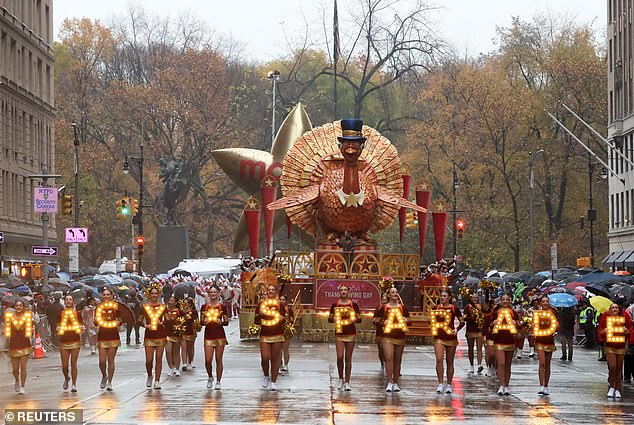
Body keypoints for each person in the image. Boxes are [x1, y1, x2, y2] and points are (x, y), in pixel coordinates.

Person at [328, 285, 362, 391]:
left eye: (345, 290)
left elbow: (359, 318)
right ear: (339, 292)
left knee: (348, 358)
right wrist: (333, 319)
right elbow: (329, 318)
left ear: (348, 292)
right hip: (339, 333)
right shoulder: (335, 305)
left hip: (350, 333)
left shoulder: (353, 305)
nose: (343, 292)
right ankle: (340, 378)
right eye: (341, 290)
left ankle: (347, 381)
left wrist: (354, 320)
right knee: (339, 357)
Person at [597, 302, 634, 399]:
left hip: (621, 346)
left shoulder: (624, 318)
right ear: (610, 309)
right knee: (612, 366)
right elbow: (600, 330)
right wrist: (603, 333)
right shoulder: (605, 318)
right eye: (613, 307)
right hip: (610, 346)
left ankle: (617, 388)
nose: (614, 309)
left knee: (619, 367)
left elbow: (630, 330)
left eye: (616, 307)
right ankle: (612, 386)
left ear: (619, 309)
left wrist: (627, 332)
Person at [254, 284, 287, 391]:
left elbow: (284, 320)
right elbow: (256, 321)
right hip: (265, 333)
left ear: (276, 292)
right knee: (265, 357)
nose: (271, 291)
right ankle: (266, 375)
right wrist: (260, 315)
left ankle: (273, 381)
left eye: (273, 290)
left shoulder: (280, 305)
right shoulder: (261, 304)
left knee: (275, 358)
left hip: (277, 333)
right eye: (269, 290)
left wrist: (278, 317)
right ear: (266, 292)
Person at [378, 286, 411, 392]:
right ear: (388, 295)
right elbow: (376, 321)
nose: (395, 294)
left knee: (398, 359)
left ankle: (396, 382)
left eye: (396, 292)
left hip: (400, 336)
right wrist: (383, 323)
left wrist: (406, 320)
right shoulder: (383, 308)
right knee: (389, 358)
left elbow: (410, 322)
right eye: (392, 292)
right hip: (388, 336)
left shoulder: (403, 308)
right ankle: (389, 382)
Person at [432, 289, 465, 394]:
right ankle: (440, 383)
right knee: (439, 359)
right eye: (441, 296)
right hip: (439, 336)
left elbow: (462, 321)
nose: (443, 297)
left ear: (449, 297)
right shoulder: (436, 308)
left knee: (449, 361)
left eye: (445, 296)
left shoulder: (454, 308)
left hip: (450, 337)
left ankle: (449, 384)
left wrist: (457, 329)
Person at [201, 286, 228, 390]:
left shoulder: (222, 307)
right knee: (208, 360)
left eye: (215, 292)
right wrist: (204, 322)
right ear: (208, 294)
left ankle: (218, 381)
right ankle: (210, 377)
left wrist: (221, 322)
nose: (213, 294)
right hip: (208, 335)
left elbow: (226, 322)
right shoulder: (204, 307)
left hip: (219, 335)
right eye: (211, 292)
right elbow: (200, 322)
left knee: (218, 359)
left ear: (218, 293)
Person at [140, 285, 167, 389]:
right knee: (149, 360)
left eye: (156, 293)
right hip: (149, 336)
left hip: (160, 335)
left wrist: (162, 322)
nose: (154, 295)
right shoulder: (144, 307)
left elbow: (169, 320)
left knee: (159, 358)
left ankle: (157, 380)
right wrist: (146, 326)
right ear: (149, 295)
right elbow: (138, 321)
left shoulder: (163, 307)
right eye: (152, 293)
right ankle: (150, 375)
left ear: (159, 294)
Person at [491, 293, 518, 396]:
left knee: (507, 365)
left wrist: (516, 323)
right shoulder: (496, 312)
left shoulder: (513, 312)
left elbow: (520, 325)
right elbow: (489, 326)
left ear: (510, 301)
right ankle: (501, 385)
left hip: (510, 340)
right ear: (501, 301)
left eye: (507, 300)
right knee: (501, 363)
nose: (505, 301)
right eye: (503, 300)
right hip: (498, 340)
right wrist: (493, 323)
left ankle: (506, 385)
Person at [5, 299, 34, 395]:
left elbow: (31, 329)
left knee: (23, 367)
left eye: (20, 305)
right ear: (14, 307)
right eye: (17, 305)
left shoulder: (27, 316)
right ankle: (16, 380)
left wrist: (32, 331)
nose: (18, 307)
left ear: (23, 307)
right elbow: (6, 329)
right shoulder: (10, 317)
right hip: (13, 344)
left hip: (24, 343)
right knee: (15, 369)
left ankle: (22, 386)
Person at [96, 289, 122, 391]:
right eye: (104, 295)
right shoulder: (99, 308)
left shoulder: (116, 307)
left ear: (111, 296)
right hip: (102, 335)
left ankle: (110, 382)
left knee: (111, 360)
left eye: (108, 294)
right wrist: (96, 321)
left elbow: (120, 320)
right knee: (102, 361)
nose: (106, 296)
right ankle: (104, 375)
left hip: (113, 336)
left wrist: (118, 322)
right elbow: (95, 322)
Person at [57, 295, 83, 392]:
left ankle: (74, 384)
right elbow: (57, 324)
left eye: (70, 299)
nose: (68, 301)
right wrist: (58, 328)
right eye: (66, 299)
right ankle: (66, 378)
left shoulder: (77, 313)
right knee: (64, 365)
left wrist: (81, 328)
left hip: (75, 340)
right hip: (63, 341)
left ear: (73, 301)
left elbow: (81, 324)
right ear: (64, 301)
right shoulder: (60, 313)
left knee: (73, 363)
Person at [534, 296, 558, 396]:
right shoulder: (537, 313)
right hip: (539, 340)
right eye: (543, 301)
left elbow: (556, 323)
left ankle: (546, 386)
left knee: (547, 365)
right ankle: (541, 385)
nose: (545, 303)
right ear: (540, 303)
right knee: (542, 363)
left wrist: (556, 325)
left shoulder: (553, 312)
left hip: (549, 340)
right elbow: (533, 324)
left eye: (546, 301)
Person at [463, 291, 484, 374]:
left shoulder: (481, 307)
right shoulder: (468, 307)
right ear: (471, 298)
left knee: (479, 348)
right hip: (470, 330)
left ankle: (479, 365)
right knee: (470, 348)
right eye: (473, 298)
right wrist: (472, 317)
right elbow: (464, 318)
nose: (475, 299)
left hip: (479, 330)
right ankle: (471, 365)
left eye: (476, 298)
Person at [164, 297, 182, 376]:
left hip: (176, 334)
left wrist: (180, 326)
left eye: (172, 301)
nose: (170, 302)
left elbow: (186, 319)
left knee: (176, 351)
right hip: (167, 333)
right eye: (169, 300)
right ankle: (170, 367)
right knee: (168, 351)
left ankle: (177, 368)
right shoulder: (164, 311)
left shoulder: (179, 311)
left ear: (175, 303)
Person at [180, 297, 198, 371]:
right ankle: (184, 363)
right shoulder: (181, 311)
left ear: (190, 304)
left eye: (186, 303)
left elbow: (196, 320)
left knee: (190, 348)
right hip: (183, 330)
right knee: (183, 348)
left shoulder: (194, 311)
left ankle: (190, 362)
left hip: (191, 330)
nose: (184, 304)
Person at [482, 296, 497, 377]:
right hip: (488, 334)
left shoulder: (499, 312)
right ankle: (489, 367)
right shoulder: (487, 312)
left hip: (498, 335)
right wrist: (487, 289)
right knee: (490, 353)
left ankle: (495, 367)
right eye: (494, 303)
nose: (495, 304)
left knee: (496, 354)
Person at [279, 294, 294, 372]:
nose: (281, 301)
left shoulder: (289, 310)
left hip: (287, 331)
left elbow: (292, 320)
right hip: (278, 330)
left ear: (286, 301)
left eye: (283, 300)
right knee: (278, 349)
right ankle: (280, 365)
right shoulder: (276, 309)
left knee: (285, 349)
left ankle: (286, 365)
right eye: (280, 299)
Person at [373, 293, 388, 369]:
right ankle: (382, 362)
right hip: (380, 332)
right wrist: (383, 324)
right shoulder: (378, 309)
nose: (384, 301)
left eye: (386, 300)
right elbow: (375, 321)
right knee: (381, 350)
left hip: (389, 333)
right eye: (383, 300)